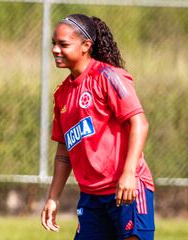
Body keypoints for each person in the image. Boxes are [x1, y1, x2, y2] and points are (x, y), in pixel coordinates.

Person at [40, 13, 155, 240]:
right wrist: (53, 197)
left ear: (86, 46)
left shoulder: (108, 77)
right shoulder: (62, 94)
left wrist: (129, 174)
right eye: (54, 43)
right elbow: (64, 151)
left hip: (126, 189)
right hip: (91, 196)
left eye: (63, 44)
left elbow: (139, 123)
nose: (55, 50)